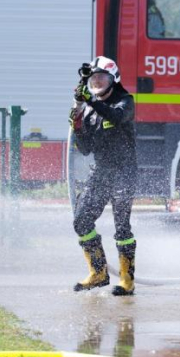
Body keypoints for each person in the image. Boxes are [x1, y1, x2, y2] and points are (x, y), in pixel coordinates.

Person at [69, 56, 138, 296]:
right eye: (93, 79)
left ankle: (127, 280)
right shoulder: (89, 111)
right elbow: (86, 149)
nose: (97, 82)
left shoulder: (125, 101)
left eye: (102, 78)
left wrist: (91, 102)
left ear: (114, 79)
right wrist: (77, 125)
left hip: (124, 172)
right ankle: (98, 272)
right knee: (81, 221)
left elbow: (116, 117)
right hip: (101, 172)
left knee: (121, 227)